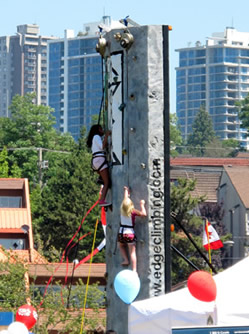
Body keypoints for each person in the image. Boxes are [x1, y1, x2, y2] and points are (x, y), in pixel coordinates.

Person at [118, 186, 147, 272]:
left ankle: (125, 259)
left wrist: (126, 191)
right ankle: (134, 270)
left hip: (121, 233)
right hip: (129, 232)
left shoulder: (121, 210)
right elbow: (144, 214)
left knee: (121, 245)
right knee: (132, 252)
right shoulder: (133, 211)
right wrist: (142, 204)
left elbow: (125, 199)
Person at [87, 124, 111, 206]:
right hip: (100, 160)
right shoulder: (96, 137)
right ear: (98, 129)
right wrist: (107, 136)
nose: (103, 130)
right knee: (107, 183)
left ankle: (101, 178)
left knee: (105, 181)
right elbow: (102, 147)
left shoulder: (95, 138)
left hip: (96, 161)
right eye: (101, 129)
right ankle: (102, 200)